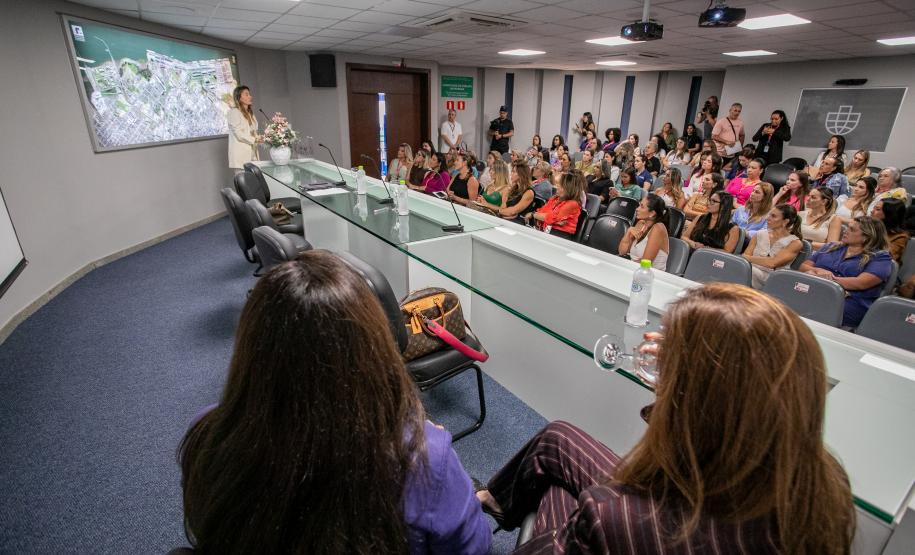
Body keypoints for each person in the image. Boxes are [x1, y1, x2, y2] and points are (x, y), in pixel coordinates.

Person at [475, 283, 854, 554]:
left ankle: (487, 511)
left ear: (699, 397)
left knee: (555, 490)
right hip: (698, 504)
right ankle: (495, 499)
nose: (654, 349)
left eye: (669, 349)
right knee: (558, 439)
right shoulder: (821, 481)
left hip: (662, 520)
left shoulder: (613, 515)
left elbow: (624, 513)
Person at [179, 252, 492, 554]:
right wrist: (427, 447)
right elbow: (476, 549)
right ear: (374, 350)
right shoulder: (424, 460)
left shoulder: (207, 433)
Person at [801, 217, 893, 327]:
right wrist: (817, 270)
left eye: (852, 230)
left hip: (848, 302)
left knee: (806, 307)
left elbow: (861, 283)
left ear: (866, 237)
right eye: (847, 227)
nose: (845, 231)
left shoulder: (880, 257)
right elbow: (803, 266)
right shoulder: (831, 246)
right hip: (815, 292)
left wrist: (827, 280)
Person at [744, 204, 804, 289]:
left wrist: (749, 258)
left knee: (742, 271)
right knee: (740, 269)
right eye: (769, 215)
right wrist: (746, 258)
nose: (767, 218)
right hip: (752, 271)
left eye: (773, 216)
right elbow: (744, 259)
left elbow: (772, 263)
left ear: (785, 221)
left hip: (773, 278)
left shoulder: (795, 243)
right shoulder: (760, 234)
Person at [618, 193, 670, 271]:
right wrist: (629, 231)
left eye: (642, 206)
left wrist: (624, 265)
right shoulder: (641, 223)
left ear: (652, 213)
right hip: (634, 269)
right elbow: (622, 251)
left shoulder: (658, 228)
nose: (637, 209)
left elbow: (645, 262)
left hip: (651, 276)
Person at [528, 170, 584, 239]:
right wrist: (548, 218)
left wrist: (533, 214)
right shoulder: (555, 198)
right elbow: (542, 212)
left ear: (568, 188)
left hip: (560, 236)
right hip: (547, 231)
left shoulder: (573, 203)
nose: (556, 187)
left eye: (559, 185)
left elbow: (550, 218)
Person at [227, 85, 262, 172]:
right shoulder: (234, 112)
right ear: (239, 97)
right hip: (241, 156)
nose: (250, 96)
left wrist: (260, 138)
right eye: (246, 94)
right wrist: (254, 139)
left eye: (249, 94)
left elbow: (253, 132)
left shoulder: (250, 113)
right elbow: (239, 134)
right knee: (244, 183)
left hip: (253, 154)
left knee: (255, 182)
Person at [871, 197, 908, 264]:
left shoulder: (900, 237)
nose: (872, 211)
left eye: (877, 209)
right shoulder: (867, 226)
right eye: (874, 207)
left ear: (889, 215)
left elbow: (885, 258)